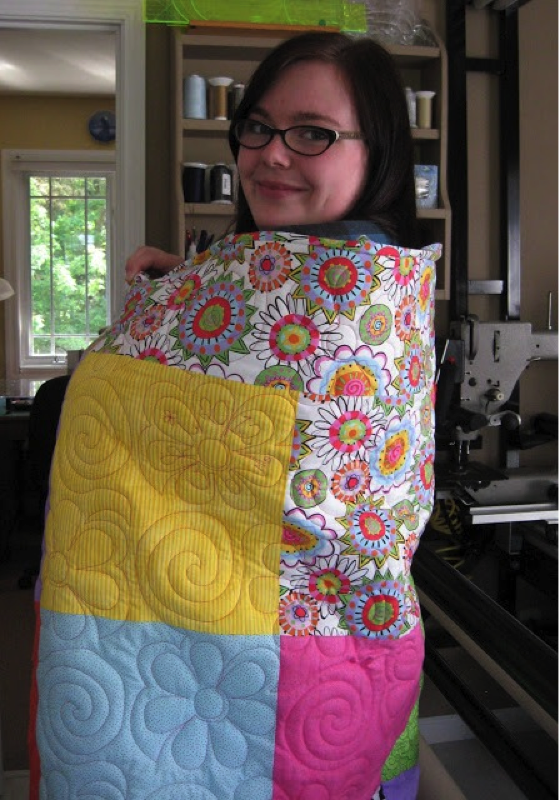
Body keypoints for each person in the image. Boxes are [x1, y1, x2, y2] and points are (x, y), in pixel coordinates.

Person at [30, 31, 440, 800]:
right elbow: (267, 359)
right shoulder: (290, 275)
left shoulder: (363, 294)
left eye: (312, 133)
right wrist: (195, 287)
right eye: (256, 126)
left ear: (376, 149)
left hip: (296, 662)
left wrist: (183, 303)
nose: (271, 153)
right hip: (291, 662)